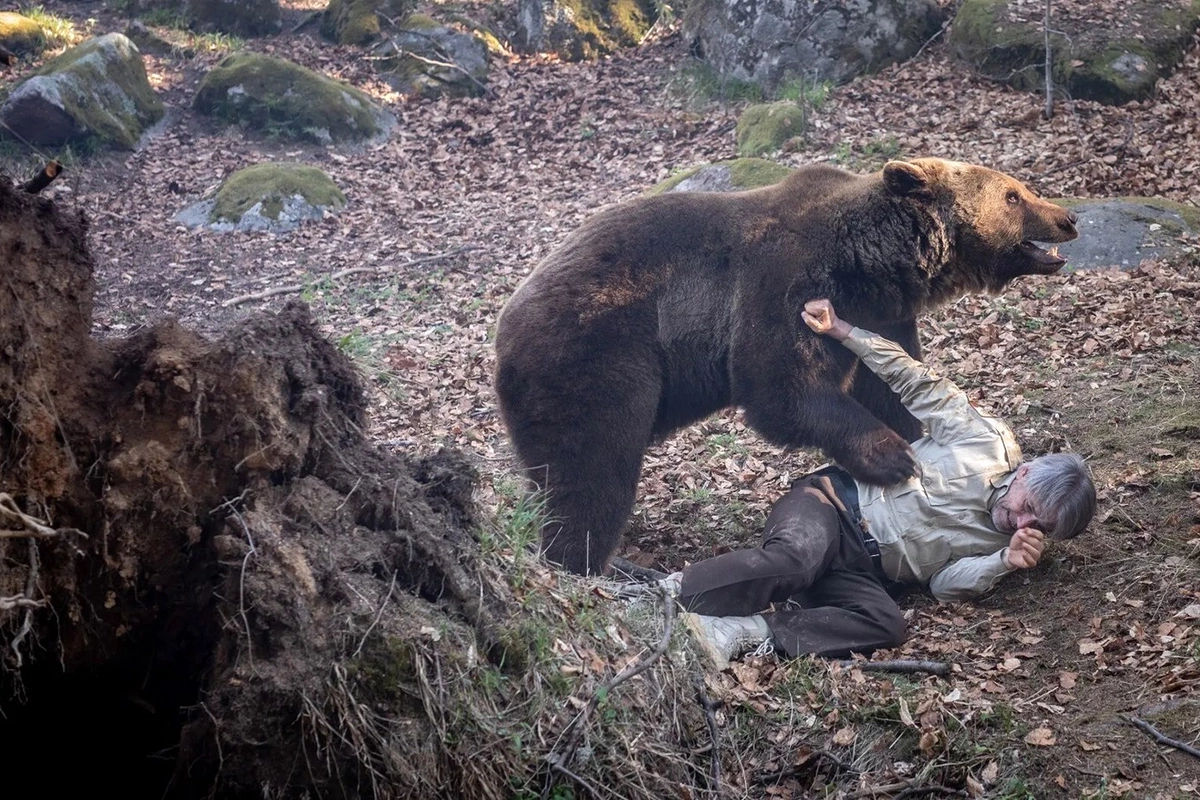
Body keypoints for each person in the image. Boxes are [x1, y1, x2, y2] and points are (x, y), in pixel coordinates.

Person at [670, 299, 1097, 670]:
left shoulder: (1009, 545)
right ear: (1025, 472)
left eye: (1037, 525)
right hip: (831, 505)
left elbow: (943, 588)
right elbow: (915, 380)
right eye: (1028, 505)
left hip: (865, 571)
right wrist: (843, 331)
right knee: (797, 557)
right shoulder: (985, 441)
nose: (1020, 521)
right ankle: (669, 595)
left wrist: (1002, 561)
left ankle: (737, 632)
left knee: (886, 624)